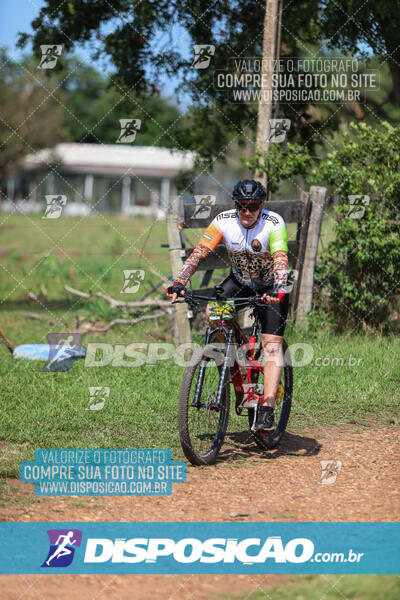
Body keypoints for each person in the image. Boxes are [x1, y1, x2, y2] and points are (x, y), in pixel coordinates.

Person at [166, 179, 289, 432]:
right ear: (235, 204)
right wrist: (180, 282)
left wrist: (278, 287)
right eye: (241, 205)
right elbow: (199, 253)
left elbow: (280, 259)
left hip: (269, 286)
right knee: (214, 313)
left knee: (271, 345)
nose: (246, 211)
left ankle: (266, 407)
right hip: (240, 281)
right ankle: (236, 364)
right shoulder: (223, 220)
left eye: (253, 206)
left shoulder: (274, 223)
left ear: (261, 205)